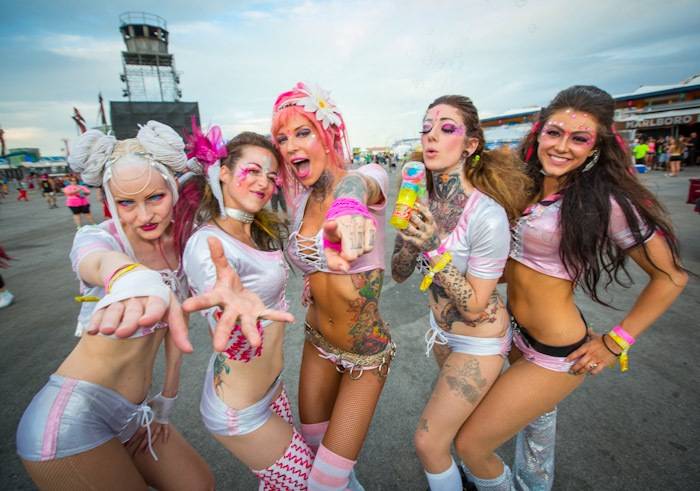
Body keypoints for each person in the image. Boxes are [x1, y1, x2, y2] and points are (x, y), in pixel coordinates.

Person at [453, 86, 687, 490]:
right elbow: (516, 262)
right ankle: (533, 484)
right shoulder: (523, 183)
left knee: (471, 445)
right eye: (554, 132)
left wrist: (616, 342)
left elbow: (671, 277)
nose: (562, 147)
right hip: (512, 333)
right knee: (535, 425)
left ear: (596, 146)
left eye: (579, 138)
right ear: (539, 133)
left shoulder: (606, 202)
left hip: (556, 352)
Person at [16, 122, 215, 490]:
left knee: (198, 484)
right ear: (110, 201)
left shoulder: (183, 242)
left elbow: (177, 328)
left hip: (135, 413)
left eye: (155, 197)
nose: (144, 215)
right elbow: (94, 261)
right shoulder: (101, 238)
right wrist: (128, 276)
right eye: (126, 203)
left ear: (172, 189)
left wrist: (168, 396)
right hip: (71, 419)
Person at [390, 95, 531, 490]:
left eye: (446, 128)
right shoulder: (420, 201)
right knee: (464, 433)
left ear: (470, 145)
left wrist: (434, 246)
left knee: (429, 442)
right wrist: (409, 244)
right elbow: (399, 274)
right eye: (426, 127)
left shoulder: (487, 215)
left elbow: (473, 306)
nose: (431, 136)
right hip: (442, 336)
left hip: (479, 342)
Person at [271, 82, 391, 490]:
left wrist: (349, 205)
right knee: (312, 449)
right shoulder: (299, 202)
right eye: (282, 138)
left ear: (328, 136)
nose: (290, 146)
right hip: (317, 342)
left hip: (364, 356)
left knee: (324, 480)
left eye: (302, 133)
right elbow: (310, 259)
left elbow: (362, 185)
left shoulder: (364, 178)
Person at [178, 125, 311, 489]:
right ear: (222, 172)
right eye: (252, 171)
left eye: (271, 176)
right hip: (239, 411)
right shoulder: (208, 244)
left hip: (271, 389)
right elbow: (220, 293)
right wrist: (231, 304)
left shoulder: (256, 230)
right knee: (313, 483)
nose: (264, 183)